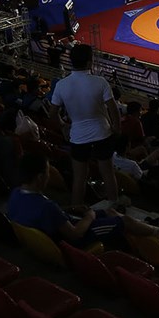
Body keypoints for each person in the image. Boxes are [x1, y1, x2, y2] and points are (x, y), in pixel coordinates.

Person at [7, 153, 159, 247]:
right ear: (40, 177)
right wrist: (90, 216)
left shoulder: (16, 193)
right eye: (48, 172)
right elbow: (75, 234)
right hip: (75, 239)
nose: (49, 176)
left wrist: (69, 209)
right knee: (124, 221)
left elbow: (48, 214)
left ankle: (144, 227)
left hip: (61, 227)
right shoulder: (47, 207)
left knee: (110, 211)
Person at [49, 44, 121, 207]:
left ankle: (77, 209)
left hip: (78, 136)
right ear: (89, 62)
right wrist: (117, 128)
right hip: (102, 133)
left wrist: (63, 126)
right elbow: (113, 109)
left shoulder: (62, 85)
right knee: (108, 173)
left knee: (80, 177)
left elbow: (52, 113)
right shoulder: (100, 82)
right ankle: (114, 206)